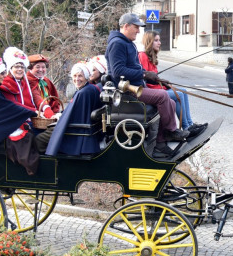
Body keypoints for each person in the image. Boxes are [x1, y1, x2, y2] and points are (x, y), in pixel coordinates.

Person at [106, 13, 189, 159]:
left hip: (136, 87)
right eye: (136, 27)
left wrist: (153, 77)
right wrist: (144, 75)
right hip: (127, 92)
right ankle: (170, 131)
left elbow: (132, 68)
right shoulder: (117, 44)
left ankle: (161, 143)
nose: (138, 31)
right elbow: (118, 71)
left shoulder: (125, 42)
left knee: (169, 100)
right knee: (163, 96)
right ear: (126, 26)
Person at [138, 30, 206, 137]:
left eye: (159, 40)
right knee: (178, 94)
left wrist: (163, 82)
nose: (159, 43)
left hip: (157, 89)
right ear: (149, 42)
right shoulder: (142, 56)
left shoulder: (152, 57)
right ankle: (186, 127)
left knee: (184, 91)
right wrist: (159, 82)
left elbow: (153, 77)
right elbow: (145, 78)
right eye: (156, 40)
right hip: (152, 92)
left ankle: (190, 124)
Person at [46, 62, 104, 156]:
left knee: (39, 140)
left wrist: (59, 117)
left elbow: (72, 116)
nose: (77, 79)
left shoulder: (83, 93)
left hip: (77, 135)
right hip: (87, 132)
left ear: (86, 77)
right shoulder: (91, 89)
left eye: (80, 76)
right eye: (75, 76)